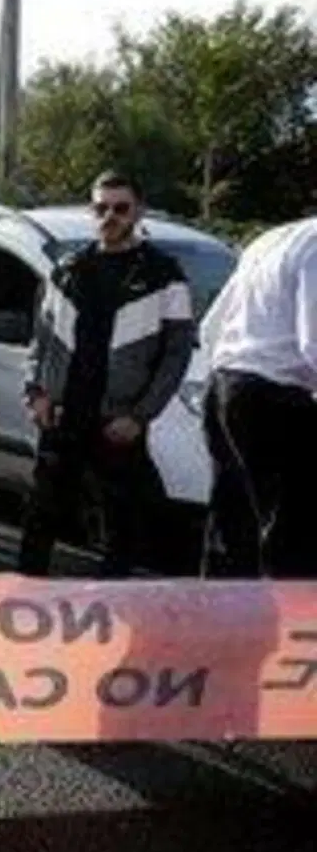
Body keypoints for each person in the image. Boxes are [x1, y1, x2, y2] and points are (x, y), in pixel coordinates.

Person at [19, 172, 193, 579]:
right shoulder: (68, 269)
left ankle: (115, 608)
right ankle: (23, 599)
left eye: (120, 208)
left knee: (121, 524)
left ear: (139, 211)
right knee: (41, 515)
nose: (110, 216)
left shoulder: (164, 274)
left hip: (118, 420)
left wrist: (141, 415)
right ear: (90, 210)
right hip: (63, 415)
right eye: (101, 208)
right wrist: (35, 392)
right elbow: (40, 340)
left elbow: (177, 355)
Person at [199, 215, 316, 578]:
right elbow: (312, 340)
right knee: (292, 530)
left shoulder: (272, 238)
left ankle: (218, 625)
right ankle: (296, 628)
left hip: (224, 385)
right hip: (272, 398)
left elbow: (210, 326)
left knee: (231, 526)